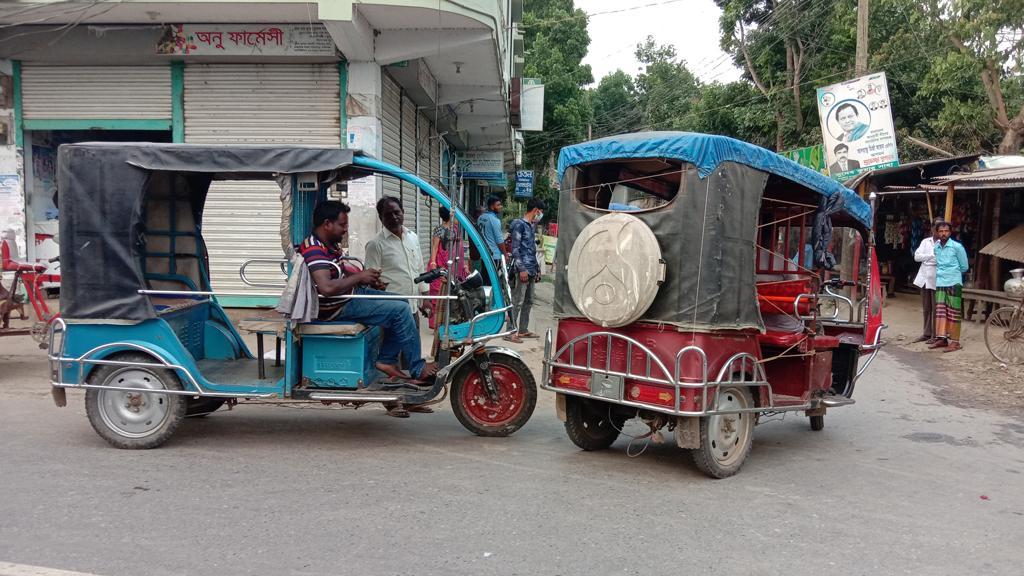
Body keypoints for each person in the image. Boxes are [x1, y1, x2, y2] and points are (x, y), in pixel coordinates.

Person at [300, 200, 437, 382]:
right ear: (327, 224)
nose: (345, 230)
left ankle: (387, 360)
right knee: (400, 310)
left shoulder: (329, 245)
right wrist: (359, 277)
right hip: (336, 308)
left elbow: (341, 273)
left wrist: (368, 279)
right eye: (342, 225)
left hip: (349, 295)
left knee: (403, 301)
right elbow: (326, 287)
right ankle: (416, 367)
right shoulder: (314, 249)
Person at [364, 196, 430, 324]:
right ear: (380, 218)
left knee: (415, 343)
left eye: (396, 212)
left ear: (403, 212)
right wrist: (377, 284)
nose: (394, 217)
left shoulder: (413, 237)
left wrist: (425, 298)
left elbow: (420, 269)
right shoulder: (375, 244)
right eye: (388, 215)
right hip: (392, 311)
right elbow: (370, 278)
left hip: (413, 308)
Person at [505, 198, 545, 343]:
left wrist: (537, 269)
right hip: (522, 270)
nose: (540, 216)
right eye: (540, 213)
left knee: (529, 301)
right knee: (517, 301)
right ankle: (510, 331)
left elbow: (531, 250)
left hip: (531, 269)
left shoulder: (530, 226)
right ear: (536, 211)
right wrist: (522, 269)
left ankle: (522, 329)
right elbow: (515, 250)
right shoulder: (519, 225)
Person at [928, 221, 969, 353]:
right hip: (940, 283)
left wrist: (953, 274)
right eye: (940, 231)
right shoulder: (936, 247)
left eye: (945, 231)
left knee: (954, 313)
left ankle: (955, 342)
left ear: (950, 232)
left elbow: (964, 266)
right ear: (937, 233)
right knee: (940, 313)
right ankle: (942, 338)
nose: (943, 233)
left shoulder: (957, 247)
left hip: (953, 283)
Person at [427, 206, 468, 330]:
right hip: (440, 264)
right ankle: (436, 323)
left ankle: (449, 320)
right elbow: (435, 247)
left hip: (454, 266)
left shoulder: (456, 230)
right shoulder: (439, 229)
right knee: (438, 293)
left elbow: (460, 250)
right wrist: (434, 263)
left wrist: (464, 265)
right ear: (451, 216)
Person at [912, 218, 944, 344]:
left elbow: (940, 261)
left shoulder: (944, 243)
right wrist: (930, 256)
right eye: (936, 228)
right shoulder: (926, 241)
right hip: (924, 278)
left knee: (936, 308)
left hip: (937, 279)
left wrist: (926, 259)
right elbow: (916, 257)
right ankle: (926, 333)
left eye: (941, 228)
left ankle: (936, 335)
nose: (938, 231)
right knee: (926, 308)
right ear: (932, 229)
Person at [477, 195, 508, 285]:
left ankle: (483, 298)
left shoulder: (481, 217)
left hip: (484, 254)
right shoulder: (495, 220)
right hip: (494, 256)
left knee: (484, 280)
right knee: (493, 282)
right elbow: (499, 241)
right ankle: (491, 299)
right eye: (498, 205)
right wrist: (505, 255)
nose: (500, 207)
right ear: (491, 206)